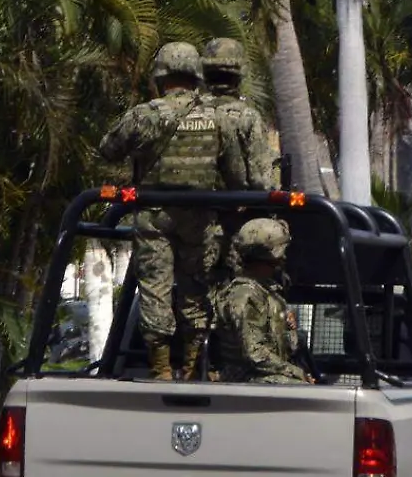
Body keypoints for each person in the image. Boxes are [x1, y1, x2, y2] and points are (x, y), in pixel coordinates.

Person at [99, 41, 251, 379]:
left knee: (155, 288)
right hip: (199, 217)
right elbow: (237, 177)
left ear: (160, 76)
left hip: (153, 215)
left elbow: (108, 149)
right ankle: (195, 365)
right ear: (196, 76)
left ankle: (162, 369)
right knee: (195, 288)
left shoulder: (145, 114)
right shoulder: (216, 118)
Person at [213, 218, 311, 384]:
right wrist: (297, 373)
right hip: (246, 379)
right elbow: (255, 354)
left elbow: (286, 346)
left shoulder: (267, 290)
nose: (283, 259)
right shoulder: (244, 295)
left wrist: (287, 327)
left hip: (266, 374)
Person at [202, 38, 280, 190]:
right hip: (231, 208)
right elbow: (260, 180)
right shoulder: (247, 117)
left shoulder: (190, 112)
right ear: (239, 74)